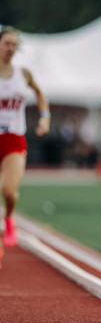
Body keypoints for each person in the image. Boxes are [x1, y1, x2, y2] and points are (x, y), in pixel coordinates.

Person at [0, 26, 50, 262]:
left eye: (14, 44)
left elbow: (40, 93)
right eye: (6, 43)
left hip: (14, 139)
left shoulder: (24, 74)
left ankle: (9, 218)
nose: (10, 48)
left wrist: (45, 118)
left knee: (9, 190)